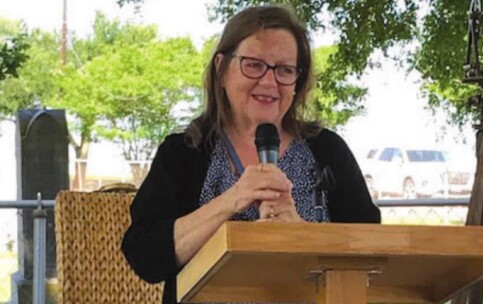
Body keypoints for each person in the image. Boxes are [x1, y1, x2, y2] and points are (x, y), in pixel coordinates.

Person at [121, 5, 381, 303]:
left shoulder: (327, 150)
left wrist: (301, 235)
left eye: (285, 70)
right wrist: (232, 200)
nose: (269, 82)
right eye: (254, 65)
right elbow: (145, 256)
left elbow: (371, 253)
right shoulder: (183, 153)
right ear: (221, 69)